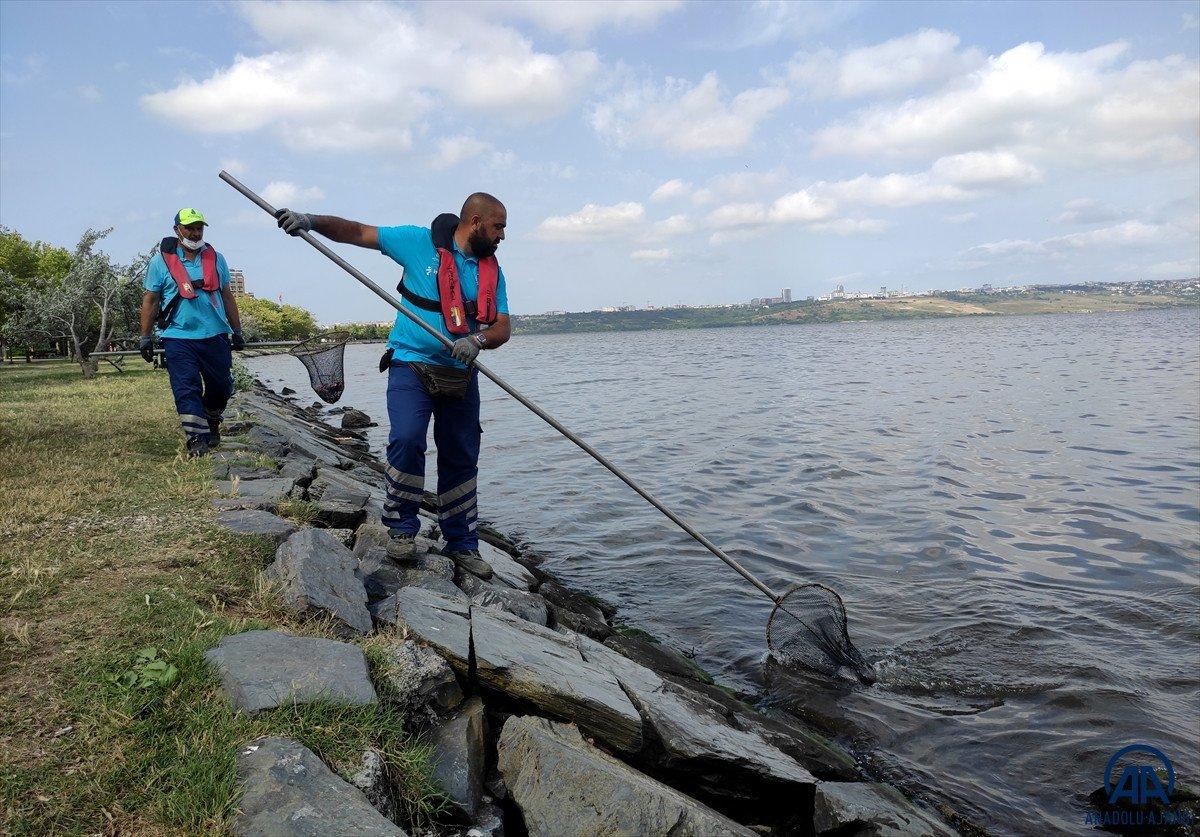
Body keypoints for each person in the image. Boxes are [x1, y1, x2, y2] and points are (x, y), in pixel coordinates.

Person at [273, 195, 511, 569]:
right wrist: (310, 220)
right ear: (476, 221)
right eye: (499, 227)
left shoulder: (491, 271)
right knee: (406, 439)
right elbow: (358, 232)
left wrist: (477, 340)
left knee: (462, 454)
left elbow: (502, 327)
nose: (502, 236)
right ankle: (401, 530)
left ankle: (462, 543)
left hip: (460, 373)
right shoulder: (418, 242)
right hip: (411, 365)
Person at [139, 208, 245, 458]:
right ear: (177, 230)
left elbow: (227, 296)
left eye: (199, 228)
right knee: (186, 388)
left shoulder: (216, 258)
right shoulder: (160, 262)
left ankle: (211, 418)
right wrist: (145, 336)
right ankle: (196, 438)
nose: (196, 233)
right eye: (190, 228)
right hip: (178, 336)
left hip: (215, 334)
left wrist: (237, 330)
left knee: (222, 386)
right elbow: (151, 300)